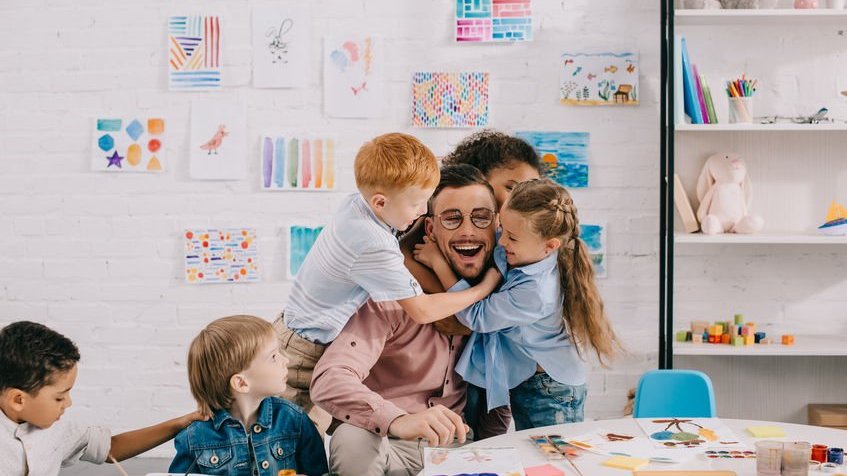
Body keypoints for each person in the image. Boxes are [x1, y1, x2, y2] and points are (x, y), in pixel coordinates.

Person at [276, 133, 498, 424]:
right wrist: (484, 288)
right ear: (380, 202)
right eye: (417, 204)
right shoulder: (373, 243)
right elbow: (422, 310)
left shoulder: (357, 202)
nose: (421, 212)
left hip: (294, 330)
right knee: (289, 439)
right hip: (304, 353)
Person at [311, 165, 500, 476]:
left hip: (461, 452)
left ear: (496, 226)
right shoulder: (390, 298)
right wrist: (398, 419)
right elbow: (330, 378)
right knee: (351, 436)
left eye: (481, 217)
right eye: (452, 218)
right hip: (391, 446)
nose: (468, 231)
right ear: (429, 230)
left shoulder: (504, 301)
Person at [415, 178, 622, 430]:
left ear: (549, 246)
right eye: (502, 227)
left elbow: (476, 317)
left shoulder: (536, 292)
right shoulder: (527, 248)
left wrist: (438, 263)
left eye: (511, 238)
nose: (501, 242)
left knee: (551, 461)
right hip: (526, 377)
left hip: (550, 389)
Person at [401, 130, 545, 439]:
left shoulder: (516, 241)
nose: (523, 197)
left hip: (496, 373)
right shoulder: (417, 231)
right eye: (512, 188)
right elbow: (450, 318)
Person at [0, 321, 203, 476]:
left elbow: (110, 448)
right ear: (18, 400)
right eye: (59, 398)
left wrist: (179, 424)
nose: (68, 403)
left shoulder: (54, 429)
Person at [169, 315, 328, 476]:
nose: (285, 360)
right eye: (273, 357)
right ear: (241, 383)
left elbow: (319, 472)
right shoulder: (194, 437)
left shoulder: (295, 420)